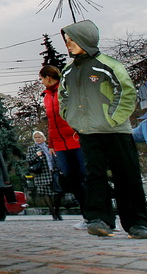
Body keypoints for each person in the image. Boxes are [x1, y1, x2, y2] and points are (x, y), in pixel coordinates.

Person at [59, 20, 147, 239]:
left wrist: (113, 119)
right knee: (94, 176)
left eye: (72, 39)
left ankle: (137, 223)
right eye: (66, 40)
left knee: (127, 175)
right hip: (88, 133)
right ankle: (99, 219)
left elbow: (127, 93)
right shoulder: (68, 70)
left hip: (116, 132)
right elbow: (63, 96)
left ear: (86, 39)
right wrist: (71, 117)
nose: (68, 44)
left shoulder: (109, 64)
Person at [41, 64, 88, 230]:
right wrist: (51, 143)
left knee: (85, 176)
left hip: (76, 139)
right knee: (71, 179)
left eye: (42, 79)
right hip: (60, 144)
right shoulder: (46, 96)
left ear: (48, 77)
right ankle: (87, 216)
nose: (42, 82)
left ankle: (99, 213)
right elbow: (51, 122)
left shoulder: (66, 90)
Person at [26, 131, 63, 221]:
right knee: (46, 193)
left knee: (58, 192)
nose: (38, 139)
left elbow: (55, 157)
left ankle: (57, 211)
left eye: (39, 137)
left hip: (52, 172)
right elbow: (28, 160)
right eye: (36, 138)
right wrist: (36, 155)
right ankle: (53, 214)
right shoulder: (32, 148)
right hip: (41, 173)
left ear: (43, 138)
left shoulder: (48, 147)